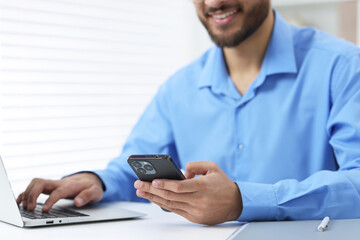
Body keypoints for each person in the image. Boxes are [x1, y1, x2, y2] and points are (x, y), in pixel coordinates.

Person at [17, 0, 360, 225]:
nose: (213, 3)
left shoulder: (342, 68)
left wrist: (244, 201)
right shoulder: (178, 88)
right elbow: (136, 166)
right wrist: (96, 181)